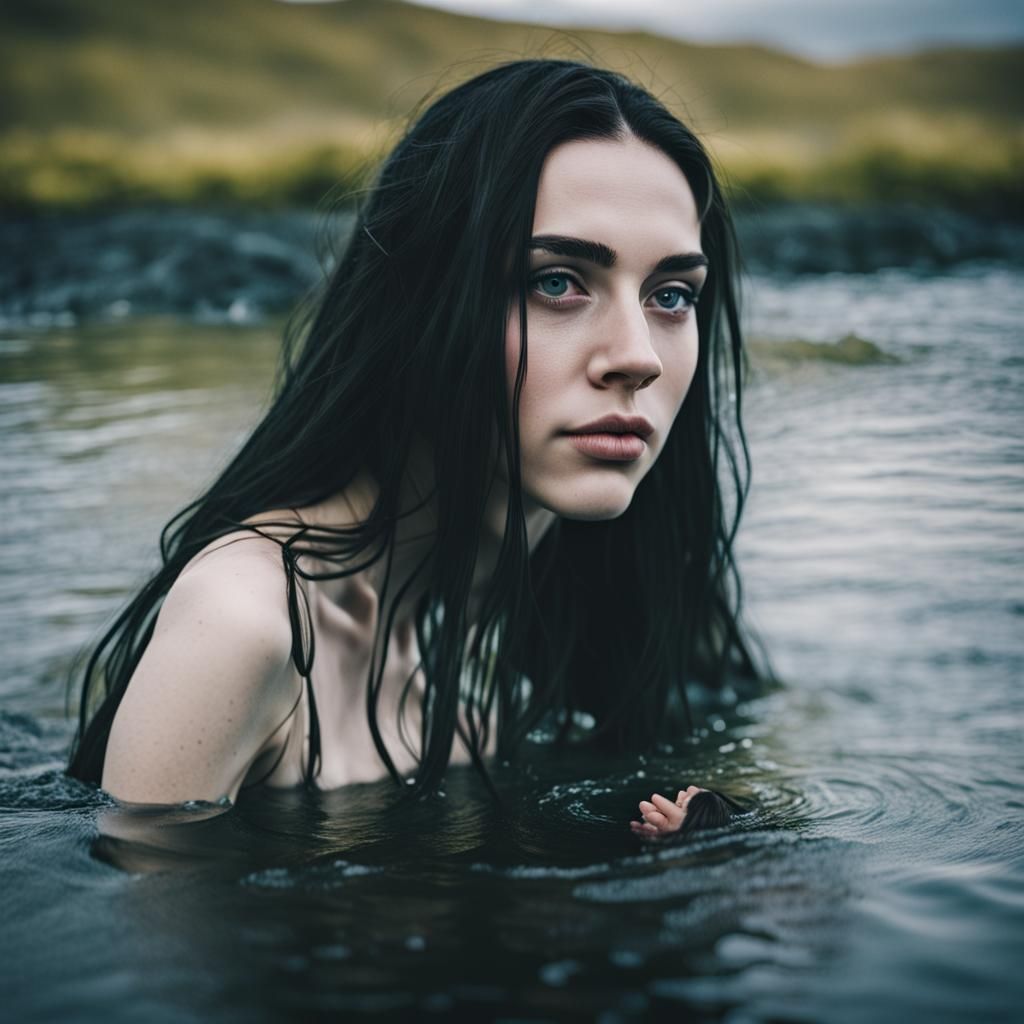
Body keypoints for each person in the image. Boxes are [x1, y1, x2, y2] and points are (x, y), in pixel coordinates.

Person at [67, 59, 759, 837]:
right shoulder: (246, 628)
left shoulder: (604, 587)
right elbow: (135, 945)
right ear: (422, 303)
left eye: (672, 295)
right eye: (557, 282)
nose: (639, 356)